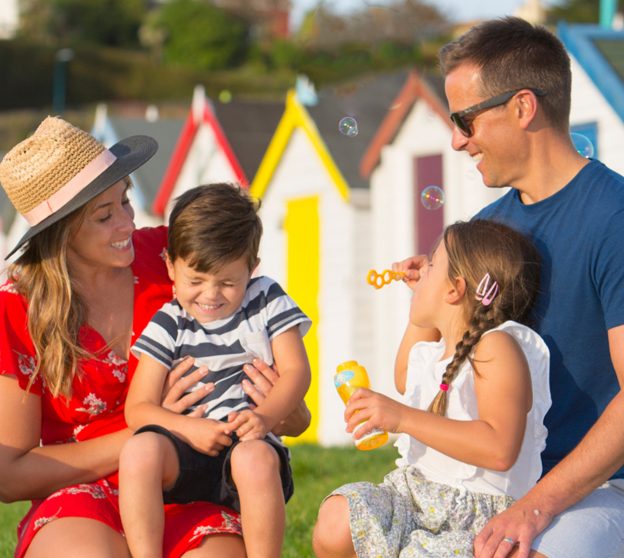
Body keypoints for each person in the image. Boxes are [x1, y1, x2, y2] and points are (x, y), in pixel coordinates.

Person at [0, 116, 310, 558]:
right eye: (105, 216)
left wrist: (286, 414)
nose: (128, 223)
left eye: (125, 201)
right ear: (61, 230)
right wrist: (158, 425)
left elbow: (290, 409)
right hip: (80, 496)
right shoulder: (16, 309)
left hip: (192, 480)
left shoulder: (172, 260)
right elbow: (9, 476)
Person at [399, 16, 624, 558]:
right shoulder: (487, 230)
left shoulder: (613, 217)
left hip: (600, 488)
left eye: (466, 120)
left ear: (523, 107)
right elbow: (444, 374)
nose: (457, 141)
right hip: (491, 485)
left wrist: (537, 505)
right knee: (347, 530)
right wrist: (431, 306)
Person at [312, 219, 550, 558]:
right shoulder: (438, 352)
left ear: (455, 289)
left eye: (432, 263)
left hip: (475, 521)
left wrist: (402, 418)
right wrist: (424, 296)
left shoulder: (497, 347)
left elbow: (500, 448)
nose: (421, 269)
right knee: (338, 518)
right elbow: (405, 376)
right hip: (413, 500)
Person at [119, 183, 311, 558]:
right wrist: (190, 428)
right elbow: (138, 409)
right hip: (187, 449)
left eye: (227, 282)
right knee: (139, 450)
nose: (210, 295)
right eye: (195, 281)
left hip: (250, 447)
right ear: (171, 266)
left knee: (251, 459)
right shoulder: (169, 321)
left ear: (252, 268)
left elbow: (296, 372)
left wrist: (265, 417)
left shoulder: (265, 298)